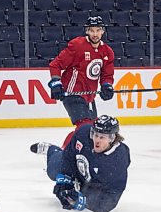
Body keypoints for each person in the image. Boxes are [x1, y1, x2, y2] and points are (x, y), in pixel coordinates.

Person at [30, 115, 130, 212]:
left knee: (77, 195)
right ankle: (51, 150)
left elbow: (112, 196)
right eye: (95, 135)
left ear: (112, 138)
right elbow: (69, 155)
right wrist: (65, 180)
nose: (97, 140)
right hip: (76, 169)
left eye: (102, 137)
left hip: (94, 186)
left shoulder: (119, 159)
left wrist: (85, 201)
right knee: (53, 170)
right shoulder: (83, 133)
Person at [48, 15, 116, 148]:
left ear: (103, 31)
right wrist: (56, 82)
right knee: (85, 127)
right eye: (92, 30)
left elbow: (107, 75)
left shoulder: (107, 51)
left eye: (98, 30)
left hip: (89, 96)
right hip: (72, 92)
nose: (95, 34)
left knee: (93, 129)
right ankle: (62, 154)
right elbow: (55, 64)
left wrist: (107, 86)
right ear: (87, 31)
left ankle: (72, 153)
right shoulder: (77, 45)